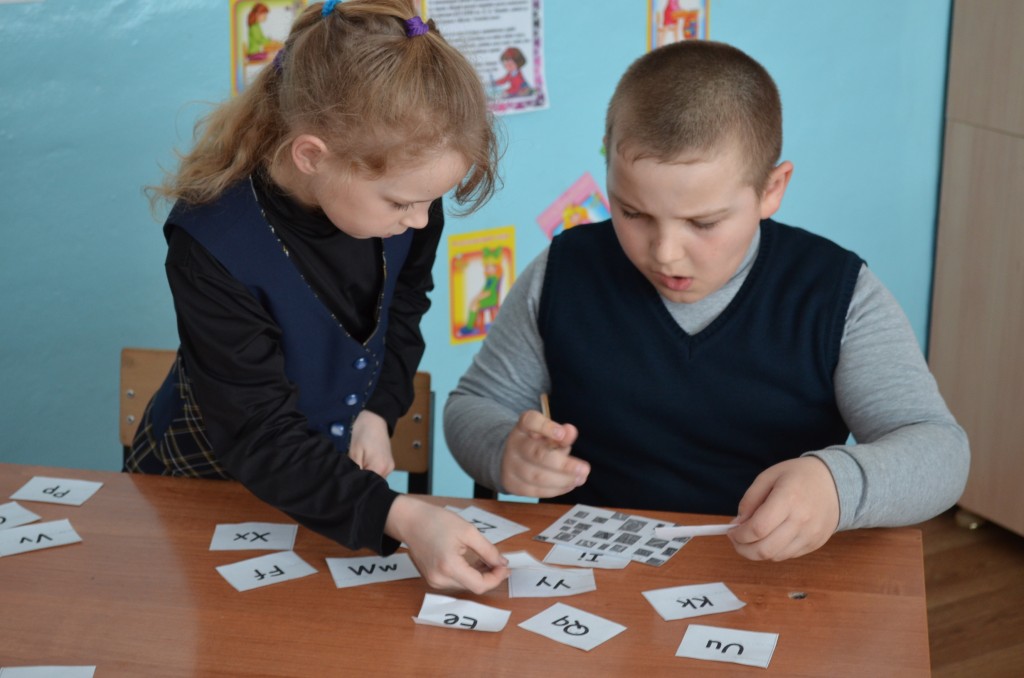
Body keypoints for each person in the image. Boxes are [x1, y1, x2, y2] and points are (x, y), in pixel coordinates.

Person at [444, 40, 969, 563]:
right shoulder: (564, 271)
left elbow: (941, 453)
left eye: (703, 223)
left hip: (773, 572)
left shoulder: (837, 294)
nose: (665, 252)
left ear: (771, 188)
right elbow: (474, 405)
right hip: (593, 571)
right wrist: (505, 449)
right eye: (633, 213)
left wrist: (836, 485)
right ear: (608, 161)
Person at [128, 0, 508, 594]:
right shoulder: (210, 242)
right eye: (402, 203)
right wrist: (400, 515)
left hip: (329, 489)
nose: (420, 220)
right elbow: (257, 432)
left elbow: (404, 307)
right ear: (311, 155)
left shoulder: (410, 201)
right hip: (204, 480)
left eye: (431, 201)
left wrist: (377, 411)